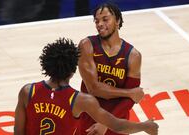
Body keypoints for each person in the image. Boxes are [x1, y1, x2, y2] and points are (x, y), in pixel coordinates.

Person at [14, 38, 158, 135]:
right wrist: (145, 126)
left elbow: (18, 133)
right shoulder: (80, 100)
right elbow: (117, 125)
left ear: (46, 64)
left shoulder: (27, 91)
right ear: (73, 70)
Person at [77, 2, 152, 135]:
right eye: (97, 21)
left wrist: (106, 124)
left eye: (105, 19)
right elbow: (93, 88)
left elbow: (129, 101)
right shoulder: (87, 45)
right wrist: (129, 92)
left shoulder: (133, 56)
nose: (99, 24)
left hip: (117, 122)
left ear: (117, 21)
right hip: (89, 120)